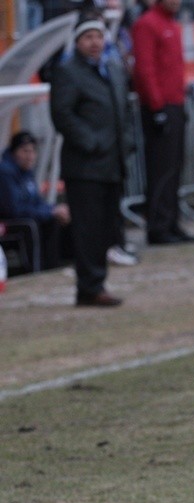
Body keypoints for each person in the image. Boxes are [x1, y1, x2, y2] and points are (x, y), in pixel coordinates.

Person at [50, 16, 134, 306]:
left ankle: (96, 282)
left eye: (98, 36)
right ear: (77, 42)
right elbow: (62, 114)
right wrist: (90, 141)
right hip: (85, 165)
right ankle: (90, 286)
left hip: (111, 162)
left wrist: (126, 143)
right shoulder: (68, 72)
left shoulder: (111, 68)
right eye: (88, 37)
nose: (95, 42)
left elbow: (123, 107)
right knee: (88, 227)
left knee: (106, 226)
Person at [132, 0, 194, 245]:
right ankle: (158, 226)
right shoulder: (147, 25)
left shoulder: (170, 24)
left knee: (174, 167)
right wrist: (156, 106)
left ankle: (171, 222)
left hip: (175, 104)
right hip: (160, 107)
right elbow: (145, 69)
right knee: (161, 169)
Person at [0, 131, 71, 270]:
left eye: (33, 151)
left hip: (24, 217)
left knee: (57, 218)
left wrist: (53, 210)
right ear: (14, 152)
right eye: (25, 151)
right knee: (30, 225)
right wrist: (50, 212)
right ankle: (35, 270)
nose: (30, 156)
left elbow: (37, 202)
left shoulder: (27, 172)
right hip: (8, 223)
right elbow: (13, 210)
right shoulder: (5, 173)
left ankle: (56, 266)